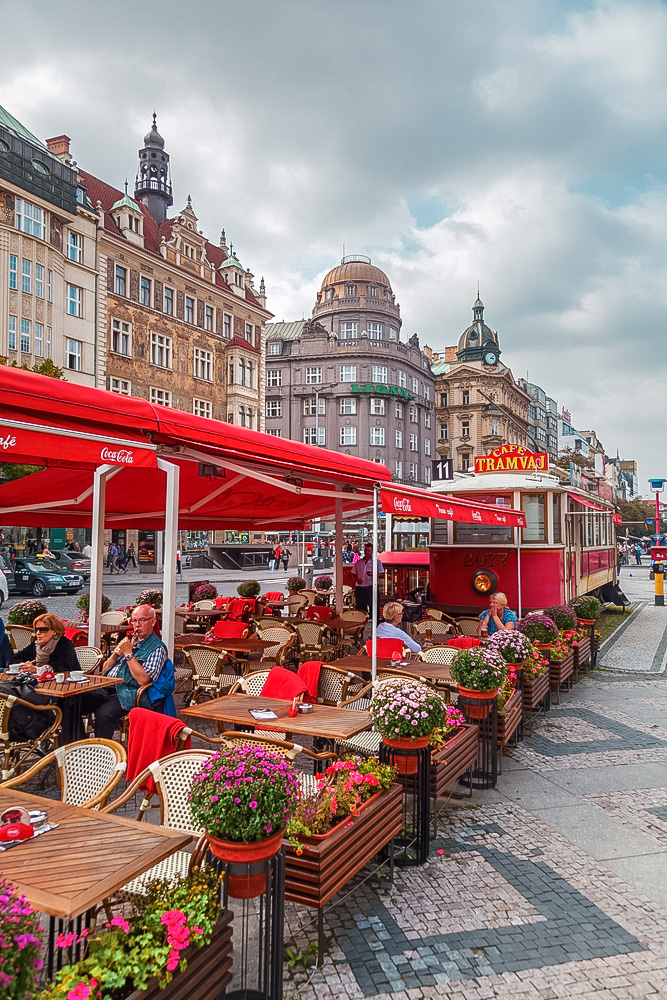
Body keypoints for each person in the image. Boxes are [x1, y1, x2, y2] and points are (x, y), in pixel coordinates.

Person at [80, 605, 167, 739]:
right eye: (134, 621)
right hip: (109, 687)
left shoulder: (158, 648)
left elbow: (144, 679)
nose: (137, 625)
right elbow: (105, 671)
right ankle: (74, 743)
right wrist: (115, 654)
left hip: (129, 693)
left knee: (104, 713)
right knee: (75, 701)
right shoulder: (131, 640)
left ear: (153, 622)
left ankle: (103, 753)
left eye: (142, 620)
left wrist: (128, 653)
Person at [9, 613, 79, 672]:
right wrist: (23, 664)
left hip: (67, 682)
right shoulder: (37, 644)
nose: (38, 633)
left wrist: (38, 669)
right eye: (36, 630)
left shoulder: (64, 643)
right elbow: (13, 659)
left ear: (54, 631)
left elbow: (66, 665)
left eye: (43, 630)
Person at [352, 542, 384, 615]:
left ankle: (375, 624)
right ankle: (361, 625)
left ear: (372, 551)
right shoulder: (359, 562)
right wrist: (357, 579)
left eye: (369, 551)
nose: (367, 552)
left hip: (371, 587)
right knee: (360, 610)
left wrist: (373, 574)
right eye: (366, 550)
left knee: (374, 608)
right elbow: (353, 574)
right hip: (360, 588)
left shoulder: (377, 562)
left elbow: (382, 575)